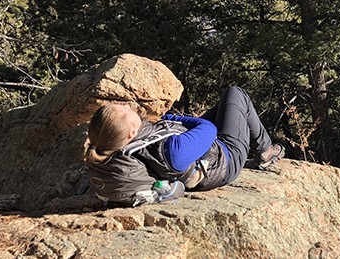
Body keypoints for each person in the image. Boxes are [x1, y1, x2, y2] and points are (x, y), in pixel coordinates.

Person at [84, 86, 285, 206]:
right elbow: (207, 128)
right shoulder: (171, 151)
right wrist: (170, 117)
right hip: (226, 160)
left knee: (226, 107)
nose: (128, 106)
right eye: (124, 111)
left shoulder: (121, 148)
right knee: (235, 94)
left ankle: (261, 146)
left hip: (201, 155)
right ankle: (266, 151)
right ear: (131, 133)